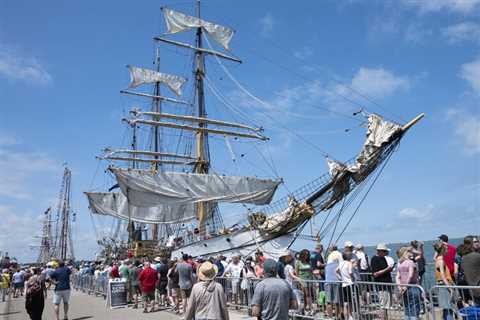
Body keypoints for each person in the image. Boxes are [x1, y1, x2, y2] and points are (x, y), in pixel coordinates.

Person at [396, 247, 421, 320]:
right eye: (410, 252)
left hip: (404, 288)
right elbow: (410, 275)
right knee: (414, 308)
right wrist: (406, 286)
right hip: (412, 286)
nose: (412, 253)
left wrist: (400, 287)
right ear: (406, 253)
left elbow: (397, 277)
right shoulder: (410, 262)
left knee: (407, 309)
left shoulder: (401, 263)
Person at [371, 243, 394, 319]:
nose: (386, 253)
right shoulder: (374, 259)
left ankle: (385, 318)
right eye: (385, 251)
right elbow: (375, 274)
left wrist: (389, 269)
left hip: (387, 284)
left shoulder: (383, 258)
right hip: (382, 286)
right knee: (383, 305)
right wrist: (387, 269)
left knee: (386, 305)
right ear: (380, 251)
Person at [434, 240, 455, 320]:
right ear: (443, 250)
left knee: (446, 309)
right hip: (444, 285)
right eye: (446, 249)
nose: (447, 250)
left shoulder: (437, 259)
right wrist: (450, 287)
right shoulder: (441, 261)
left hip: (442, 284)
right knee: (448, 308)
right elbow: (443, 276)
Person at [462, 236, 480, 306]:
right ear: (471, 244)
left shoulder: (463, 258)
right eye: (475, 242)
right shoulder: (477, 256)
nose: (477, 243)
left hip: (473, 291)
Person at [295, 249, 314, 316]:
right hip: (302, 280)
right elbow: (296, 272)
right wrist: (298, 281)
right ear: (302, 255)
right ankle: (307, 308)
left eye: (308, 254)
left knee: (309, 294)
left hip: (309, 280)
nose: (307, 256)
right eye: (305, 254)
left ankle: (308, 308)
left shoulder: (309, 262)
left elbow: (311, 271)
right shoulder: (298, 262)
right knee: (306, 294)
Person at [324, 250, 342, 319]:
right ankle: (337, 317)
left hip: (328, 283)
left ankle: (330, 317)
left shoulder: (327, 266)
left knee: (329, 301)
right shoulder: (338, 265)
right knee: (336, 301)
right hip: (336, 283)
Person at [337, 252, 354, 320]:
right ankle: (350, 315)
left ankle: (346, 316)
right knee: (350, 301)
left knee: (345, 301)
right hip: (349, 283)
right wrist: (352, 278)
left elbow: (336, 271)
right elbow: (350, 272)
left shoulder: (341, 263)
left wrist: (340, 278)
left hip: (343, 283)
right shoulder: (349, 263)